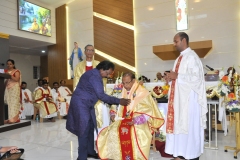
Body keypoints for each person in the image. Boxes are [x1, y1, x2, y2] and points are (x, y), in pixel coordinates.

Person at [66, 60, 131, 160]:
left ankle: (90, 152)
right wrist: (119, 101)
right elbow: (101, 95)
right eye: (107, 73)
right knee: (84, 129)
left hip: (87, 104)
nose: (108, 75)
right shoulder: (94, 76)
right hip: (81, 104)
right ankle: (82, 157)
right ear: (102, 69)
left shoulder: (95, 74)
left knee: (91, 126)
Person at [97, 72, 164, 160]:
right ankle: (118, 157)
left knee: (135, 133)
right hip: (122, 118)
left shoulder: (142, 92)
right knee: (112, 131)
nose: (125, 85)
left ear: (133, 81)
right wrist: (113, 114)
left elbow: (149, 111)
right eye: (123, 83)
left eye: (127, 83)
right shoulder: (121, 91)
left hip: (138, 121)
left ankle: (136, 157)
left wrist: (135, 121)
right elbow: (115, 104)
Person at [164, 32, 207, 160]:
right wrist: (170, 78)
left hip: (189, 103)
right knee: (179, 126)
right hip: (179, 101)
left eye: (176, 41)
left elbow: (197, 79)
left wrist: (177, 76)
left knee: (188, 128)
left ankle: (190, 155)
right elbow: (178, 79)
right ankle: (180, 154)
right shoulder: (179, 58)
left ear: (184, 40)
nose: (174, 44)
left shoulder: (192, 57)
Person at [4, 59, 22, 124]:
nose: (9, 65)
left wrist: (9, 75)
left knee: (14, 103)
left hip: (14, 88)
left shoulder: (16, 71)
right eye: (7, 64)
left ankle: (14, 119)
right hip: (7, 89)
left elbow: (16, 79)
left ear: (13, 64)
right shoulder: (5, 71)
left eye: (10, 64)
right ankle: (8, 118)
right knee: (8, 103)